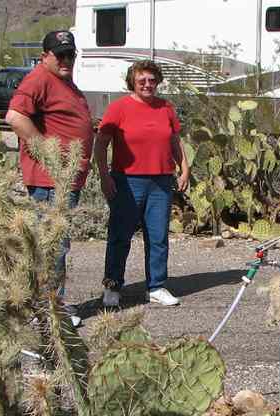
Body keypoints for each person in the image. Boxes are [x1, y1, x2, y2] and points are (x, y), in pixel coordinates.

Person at [6, 30, 94, 327]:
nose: (67, 60)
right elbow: (16, 116)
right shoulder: (39, 79)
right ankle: (50, 308)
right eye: (60, 55)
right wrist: (47, 153)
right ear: (45, 56)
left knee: (55, 243)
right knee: (53, 244)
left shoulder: (63, 81)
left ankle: (48, 304)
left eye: (71, 54)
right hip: (49, 180)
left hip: (65, 178)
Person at [95, 60, 189, 308]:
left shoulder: (166, 108)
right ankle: (113, 287)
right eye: (142, 80)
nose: (148, 85)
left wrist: (184, 168)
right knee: (120, 236)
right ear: (133, 83)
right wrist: (104, 176)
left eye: (152, 80)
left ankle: (156, 286)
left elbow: (175, 141)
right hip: (127, 181)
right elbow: (101, 143)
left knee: (158, 237)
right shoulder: (118, 108)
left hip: (160, 181)